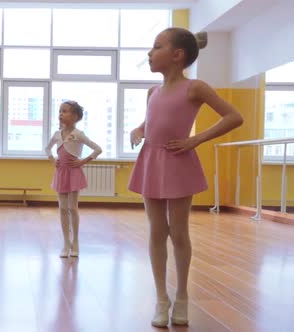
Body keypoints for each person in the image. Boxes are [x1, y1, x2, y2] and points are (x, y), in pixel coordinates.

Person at [128, 28, 243, 327]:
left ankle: (181, 297)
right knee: (156, 231)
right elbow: (152, 120)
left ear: (177, 55)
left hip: (179, 160)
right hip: (151, 160)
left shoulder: (195, 88)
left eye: (156, 47)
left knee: (179, 232)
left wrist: (196, 139)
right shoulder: (152, 92)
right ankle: (160, 298)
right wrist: (139, 129)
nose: (149, 54)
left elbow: (234, 116)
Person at [45, 101, 102, 258]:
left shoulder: (78, 134)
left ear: (75, 116)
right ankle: (66, 242)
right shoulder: (57, 135)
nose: (61, 114)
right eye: (60, 111)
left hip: (74, 173)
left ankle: (75, 241)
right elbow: (47, 148)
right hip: (60, 173)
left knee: (72, 208)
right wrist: (52, 160)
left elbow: (98, 149)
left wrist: (82, 162)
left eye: (65, 111)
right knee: (62, 209)